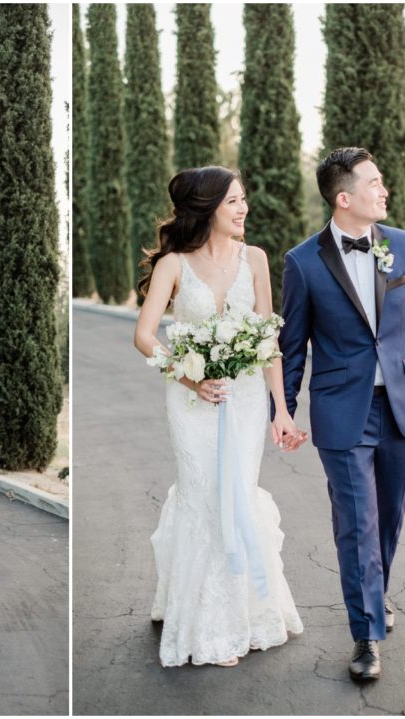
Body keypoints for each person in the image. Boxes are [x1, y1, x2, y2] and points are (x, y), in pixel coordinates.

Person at [278, 147, 405, 681]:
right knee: (356, 524)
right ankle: (366, 635)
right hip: (340, 412)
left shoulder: (403, 246)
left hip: (403, 408)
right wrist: (283, 411)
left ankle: (373, 596)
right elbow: (293, 348)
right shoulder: (302, 262)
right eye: (374, 183)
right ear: (344, 197)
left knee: (390, 517)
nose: (385, 190)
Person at [134, 167, 305, 668]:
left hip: (248, 397)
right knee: (203, 495)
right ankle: (211, 625)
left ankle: (248, 614)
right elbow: (145, 337)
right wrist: (190, 378)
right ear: (206, 207)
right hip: (192, 400)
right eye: (232, 201)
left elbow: (269, 338)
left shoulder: (256, 259)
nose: (242, 208)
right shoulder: (174, 264)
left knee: (237, 494)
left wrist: (282, 411)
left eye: (243, 199)